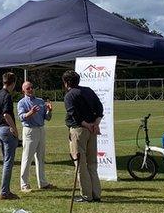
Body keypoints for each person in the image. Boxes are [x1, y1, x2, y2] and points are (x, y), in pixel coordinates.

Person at [63, 70, 103, 203]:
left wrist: (86, 125)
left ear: (67, 82)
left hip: (79, 130)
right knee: (92, 163)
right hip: (92, 129)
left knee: (80, 164)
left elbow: (74, 114)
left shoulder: (69, 95)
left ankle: (86, 195)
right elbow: (100, 108)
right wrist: (95, 124)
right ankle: (96, 193)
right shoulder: (88, 91)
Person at [17, 81, 55, 192]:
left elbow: (47, 118)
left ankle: (43, 183)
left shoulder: (40, 101)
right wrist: (30, 113)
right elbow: (21, 117)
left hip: (41, 130)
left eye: (32, 87)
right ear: (23, 90)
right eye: (28, 88)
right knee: (27, 158)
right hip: (29, 131)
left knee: (41, 157)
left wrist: (49, 110)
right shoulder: (22, 103)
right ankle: (24, 184)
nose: (31, 89)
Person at [0, 72, 20, 200]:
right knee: (9, 161)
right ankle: (5, 192)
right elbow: (6, 114)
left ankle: (5, 190)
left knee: (5, 161)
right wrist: (14, 129)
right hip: (7, 131)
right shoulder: (7, 96)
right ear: (13, 83)